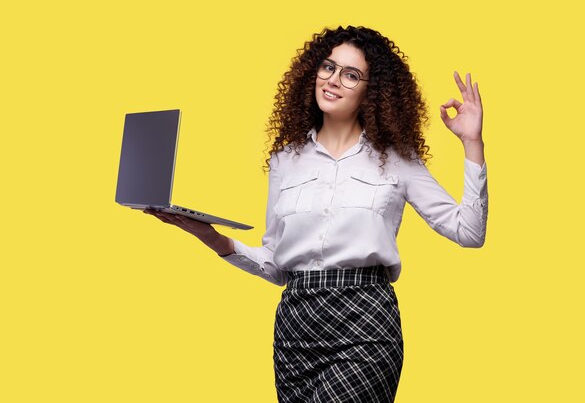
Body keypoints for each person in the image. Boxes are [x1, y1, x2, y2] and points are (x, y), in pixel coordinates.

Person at [144, 25, 487, 403]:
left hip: (366, 322)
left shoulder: (397, 160)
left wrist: (472, 143)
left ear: (371, 92)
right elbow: (275, 265)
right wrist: (208, 235)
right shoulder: (285, 161)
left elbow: (468, 231)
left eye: (350, 74)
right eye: (328, 67)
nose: (333, 80)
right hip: (295, 327)